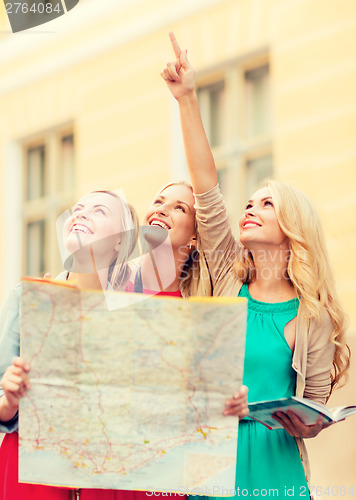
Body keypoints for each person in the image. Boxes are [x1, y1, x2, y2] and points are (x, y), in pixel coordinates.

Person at [160, 32, 350, 497]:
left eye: (266, 204)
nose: (249, 208)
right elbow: (206, 184)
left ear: (291, 227)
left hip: (275, 476)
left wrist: (302, 423)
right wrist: (186, 98)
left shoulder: (315, 318)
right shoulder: (226, 278)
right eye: (249, 201)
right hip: (210, 467)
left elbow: (314, 415)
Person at [0, 189, 138, 500]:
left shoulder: (138, 314)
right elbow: (1, 406)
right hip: (32, 478)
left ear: (121, 240)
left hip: (107, 479)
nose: (80, 214)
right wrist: (9, 399)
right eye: (77, 209)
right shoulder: (27, 298)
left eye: (99, 210)